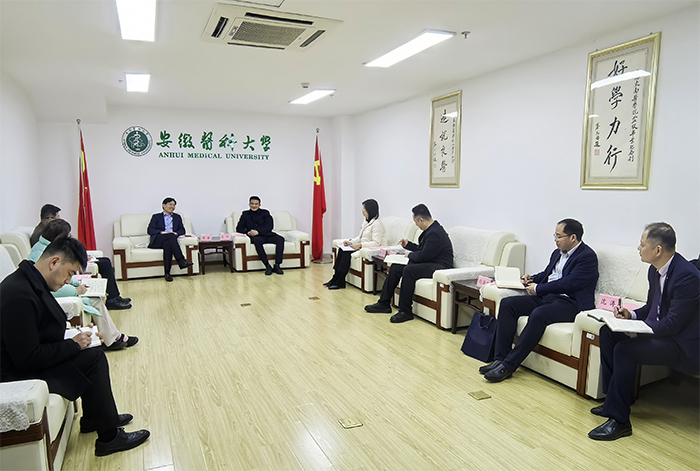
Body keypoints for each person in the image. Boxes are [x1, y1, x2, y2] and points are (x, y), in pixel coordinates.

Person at [0, 236, 150, 456]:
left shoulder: (31, 281)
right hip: (16, 372)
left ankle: (94, 418)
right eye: (69, 273)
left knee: (93, 354)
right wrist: (72, 345)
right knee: (94, 359)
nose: (68, 281)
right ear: (54, 262)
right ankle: (109, 438)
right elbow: (27, 358)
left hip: (26, 361)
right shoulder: (18, 295)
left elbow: (40, 331)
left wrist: (75, 335)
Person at [588, 223, 700, 441]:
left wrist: (639, 330)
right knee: (607, 332)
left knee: (625, 350)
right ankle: (614, 400)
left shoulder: (688, 276)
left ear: (658, 250)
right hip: (664, 332)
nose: (638, 249)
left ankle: (620, 421)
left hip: (682, 343)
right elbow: (652, 307)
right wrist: (631, 316)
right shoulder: (654, 270)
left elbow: (673, 324)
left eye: (642, 244)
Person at [480, 218, 599, 382]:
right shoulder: (557, 253)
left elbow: (569, 283)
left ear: (573, 237)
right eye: (555, 236)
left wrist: (538, 288)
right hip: (549, 296)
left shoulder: (587, 257)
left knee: (538, 314)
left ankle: (508, 366)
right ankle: (500, 359)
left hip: (570, 303)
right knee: (508, 304)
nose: (556, 240)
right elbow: (549, 274)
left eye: (559, 236)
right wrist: (532, 278)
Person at [28, 219, 138, 351]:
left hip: (65, 289)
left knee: (96, 293)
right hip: (58, 295)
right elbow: (49, 287)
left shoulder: (46, 248)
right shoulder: (43, 254)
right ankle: (113, 338)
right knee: (95, 299)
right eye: (68, 235)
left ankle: (111, 336)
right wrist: (75, 290)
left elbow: (63, 276)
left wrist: (77, 283)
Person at [30, 203, 131, 309]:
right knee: (104, 265)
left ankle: (114, 297)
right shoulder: (44, 246)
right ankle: (112, 299)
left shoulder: (47, 236)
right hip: (64, 291)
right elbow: (51, 284)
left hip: (69, 282)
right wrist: (75, 290)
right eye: (57, 217)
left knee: (105, 262)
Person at [364, 204, 453, 323]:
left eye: (416, 222)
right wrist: (409, 246)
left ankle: (405, 311)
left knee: (409, 270)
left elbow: (424, 255)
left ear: (421, 220)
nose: (416, 225)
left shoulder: (435, 233)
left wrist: (410, 255)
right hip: (430, 262)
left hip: (440, 266)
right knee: (396, 267)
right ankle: (384, 303)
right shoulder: (430, 230)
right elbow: (423, 250)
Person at [325, 199, 386, 290]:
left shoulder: (377, 224)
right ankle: (335, 278)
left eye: (364, 208)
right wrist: (351, 242)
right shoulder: (366, 221)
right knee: (342, 250)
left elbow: (376, 243)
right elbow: (360, 237)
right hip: (361, 246)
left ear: (369, 210)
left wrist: (361, 245)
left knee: (346, 254)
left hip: (367, 249)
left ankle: (340, 281)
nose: (362, 210)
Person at [147, 197, 194, 282]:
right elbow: (150, 230)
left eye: (174, 205)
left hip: (170, 240)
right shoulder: (156, 217)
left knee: (168, 245)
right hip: (158, 240)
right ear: (163, 205)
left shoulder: (177, 217)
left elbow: (182, 230)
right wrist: (162, 232)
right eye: (170, 204)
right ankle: (181, 260)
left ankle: (167, 273)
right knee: (170, 236)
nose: (172, 207)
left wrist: (176, 233)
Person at [236, 196, 285, 275]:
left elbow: (270, 226)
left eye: (256, 204)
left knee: (280, 239)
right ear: (249, 204)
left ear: (259, 205)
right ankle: (267, 266)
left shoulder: (265, 212)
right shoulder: (245, 214)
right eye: (252, 204)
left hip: (267, 234)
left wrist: (258, 231)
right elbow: (239, 228)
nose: (254, 206)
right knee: (257, 241)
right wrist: (248, 232)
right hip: (256, 237)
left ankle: (277, 265)